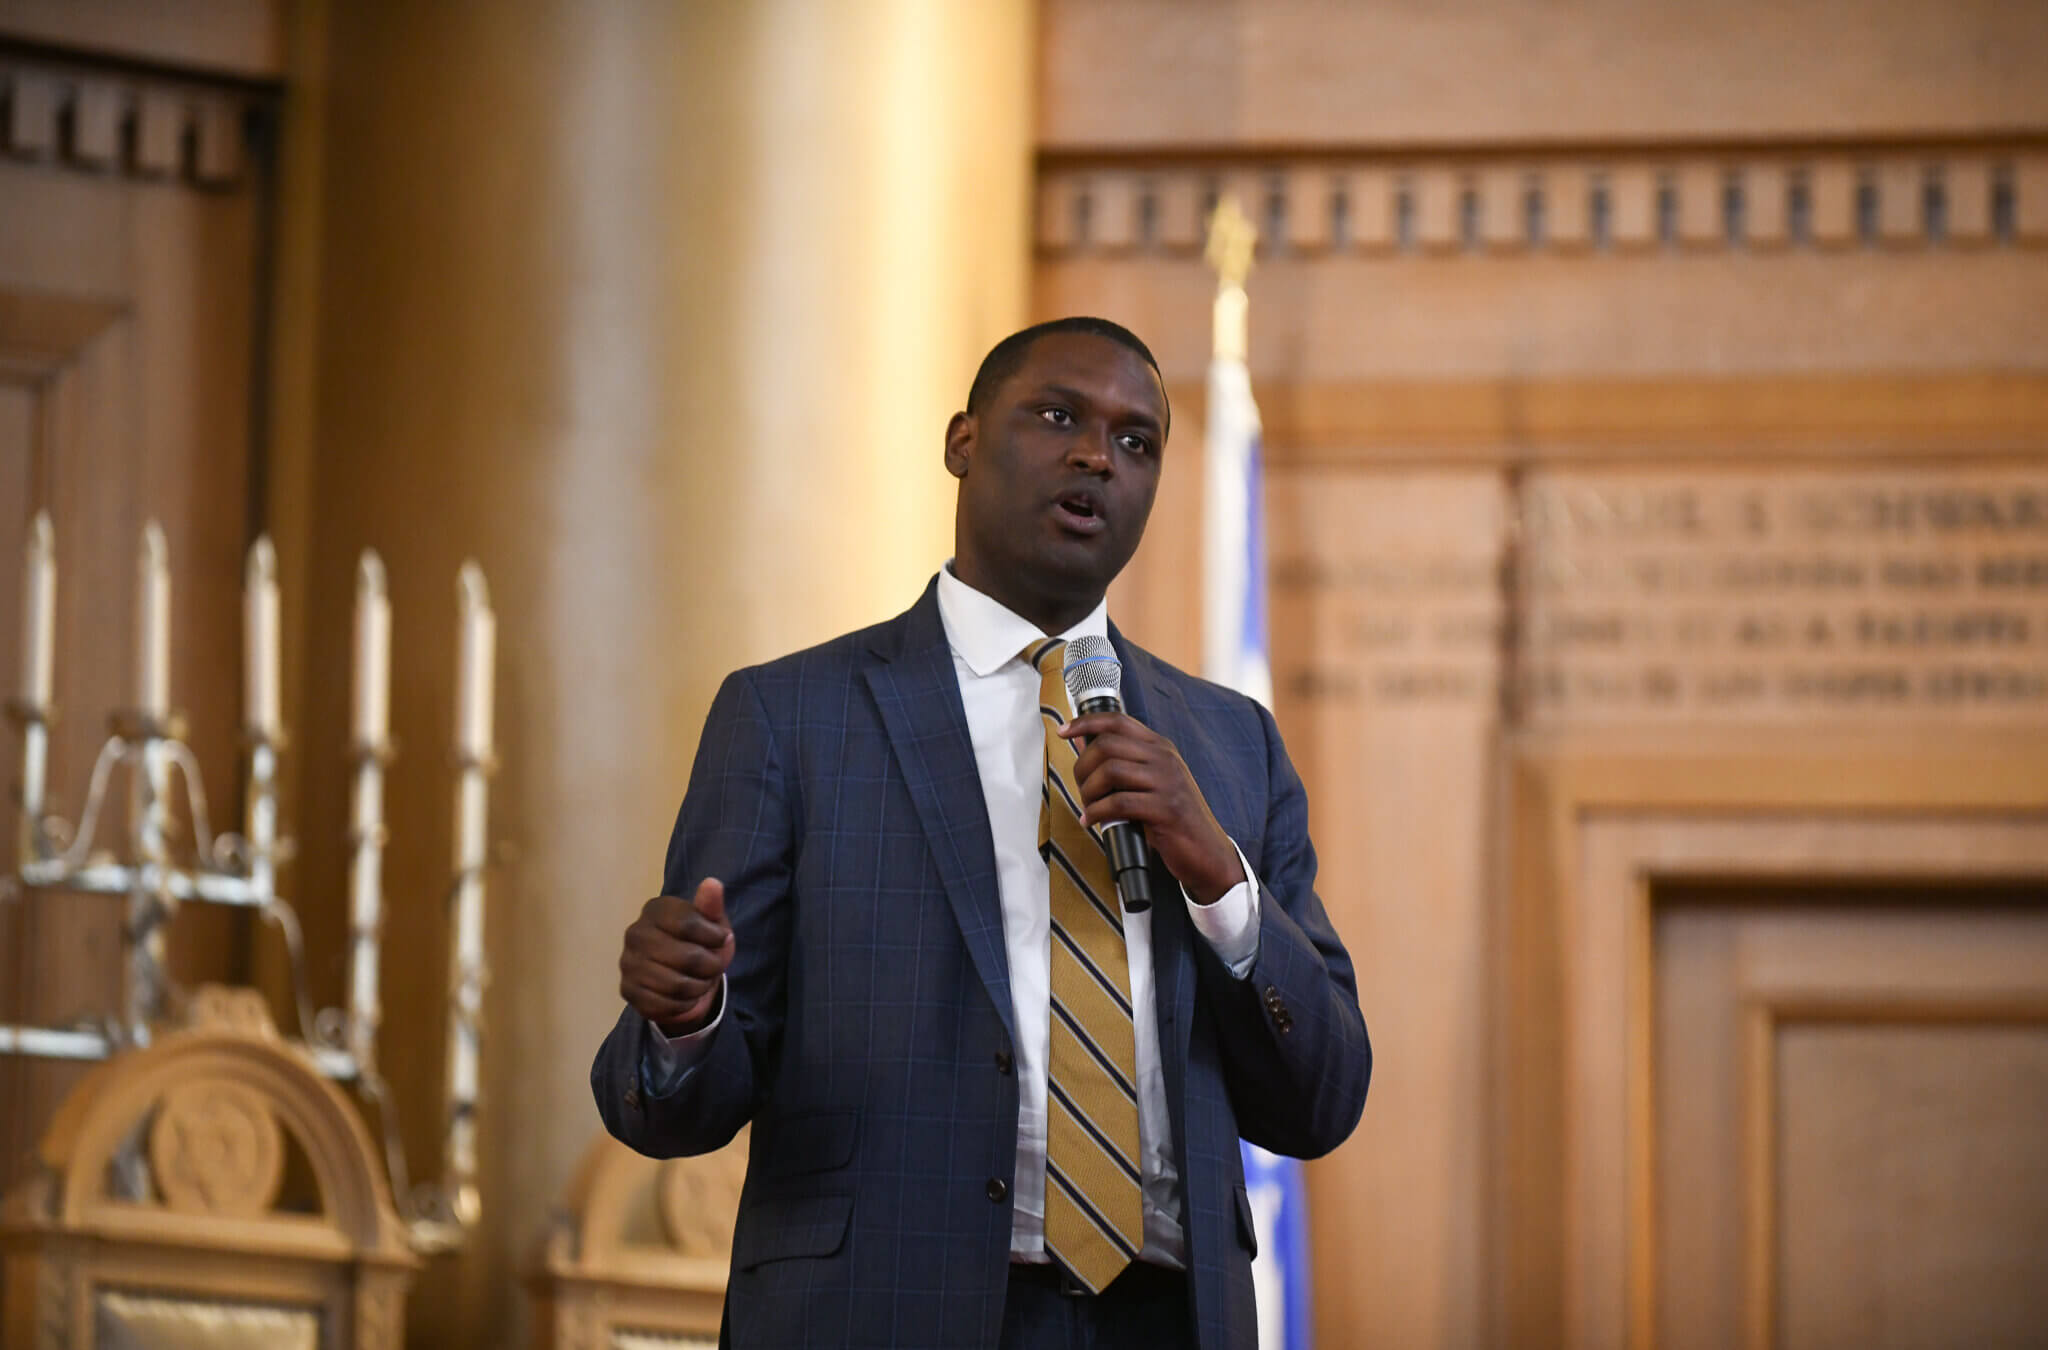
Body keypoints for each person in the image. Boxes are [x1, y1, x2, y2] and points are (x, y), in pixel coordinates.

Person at [593, 316, 1370, 1350]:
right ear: (961, 441)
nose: (1097, 455)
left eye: (1136, 442)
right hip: (876, 1311)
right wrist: (685, 1018)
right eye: (1058, 418)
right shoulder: (791, 719)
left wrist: (1220, 880)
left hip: (1163, 1319)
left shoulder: (1230, 748)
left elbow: (1319, 1100)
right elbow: (673, 1111)